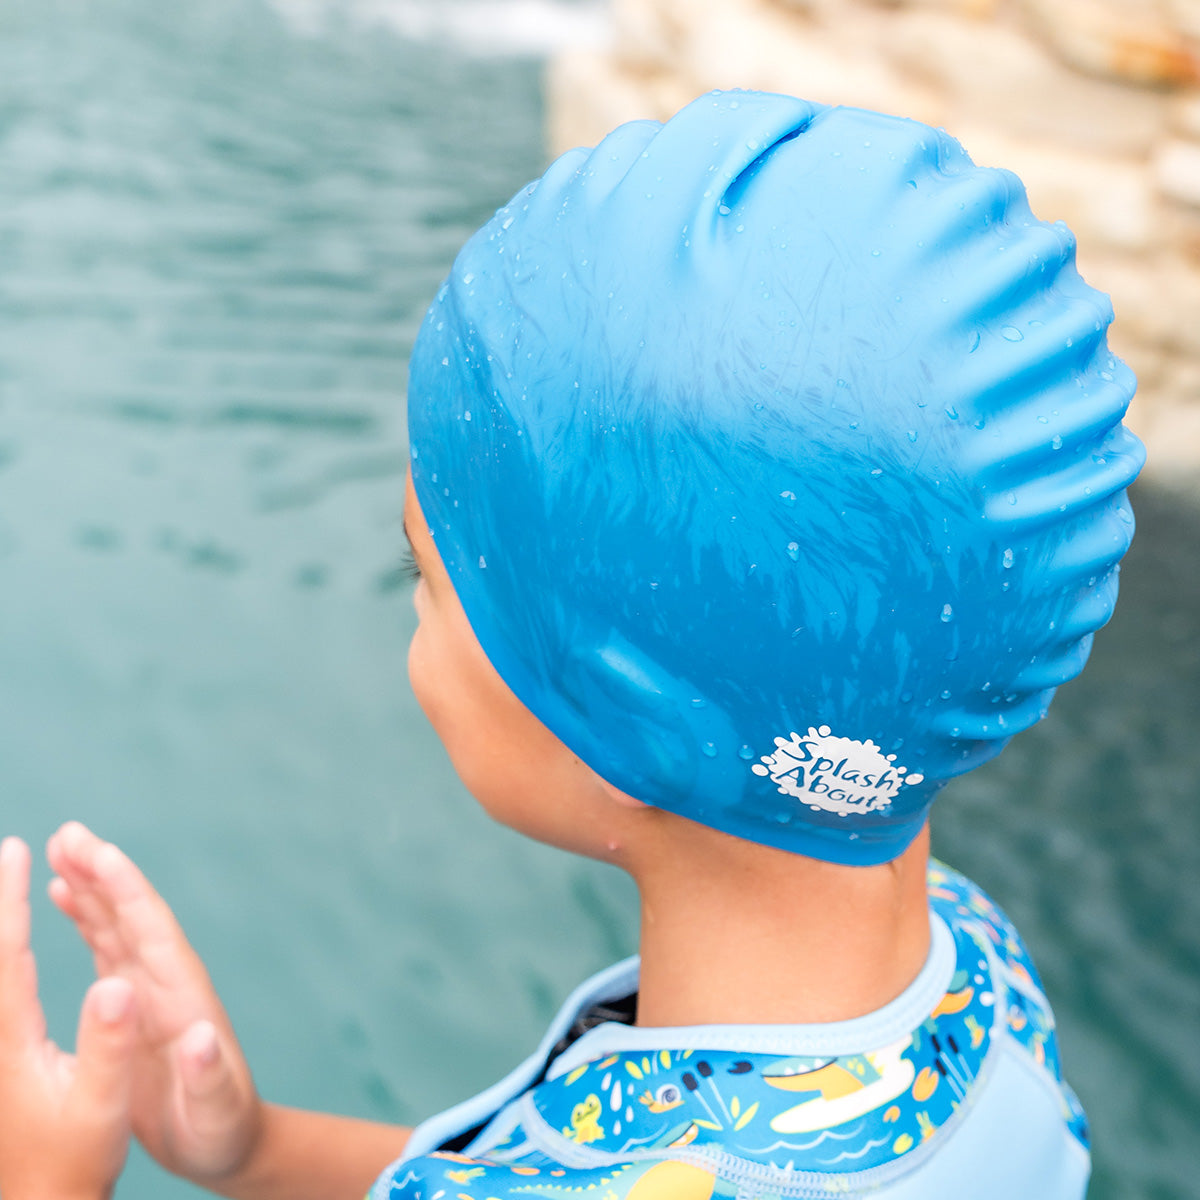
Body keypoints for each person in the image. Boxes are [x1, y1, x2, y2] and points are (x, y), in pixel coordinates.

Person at [0, 90, 1144, 1200]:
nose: (410, 615)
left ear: (627, 722)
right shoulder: (971, 972)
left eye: (426, 579)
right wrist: (252, 1152)